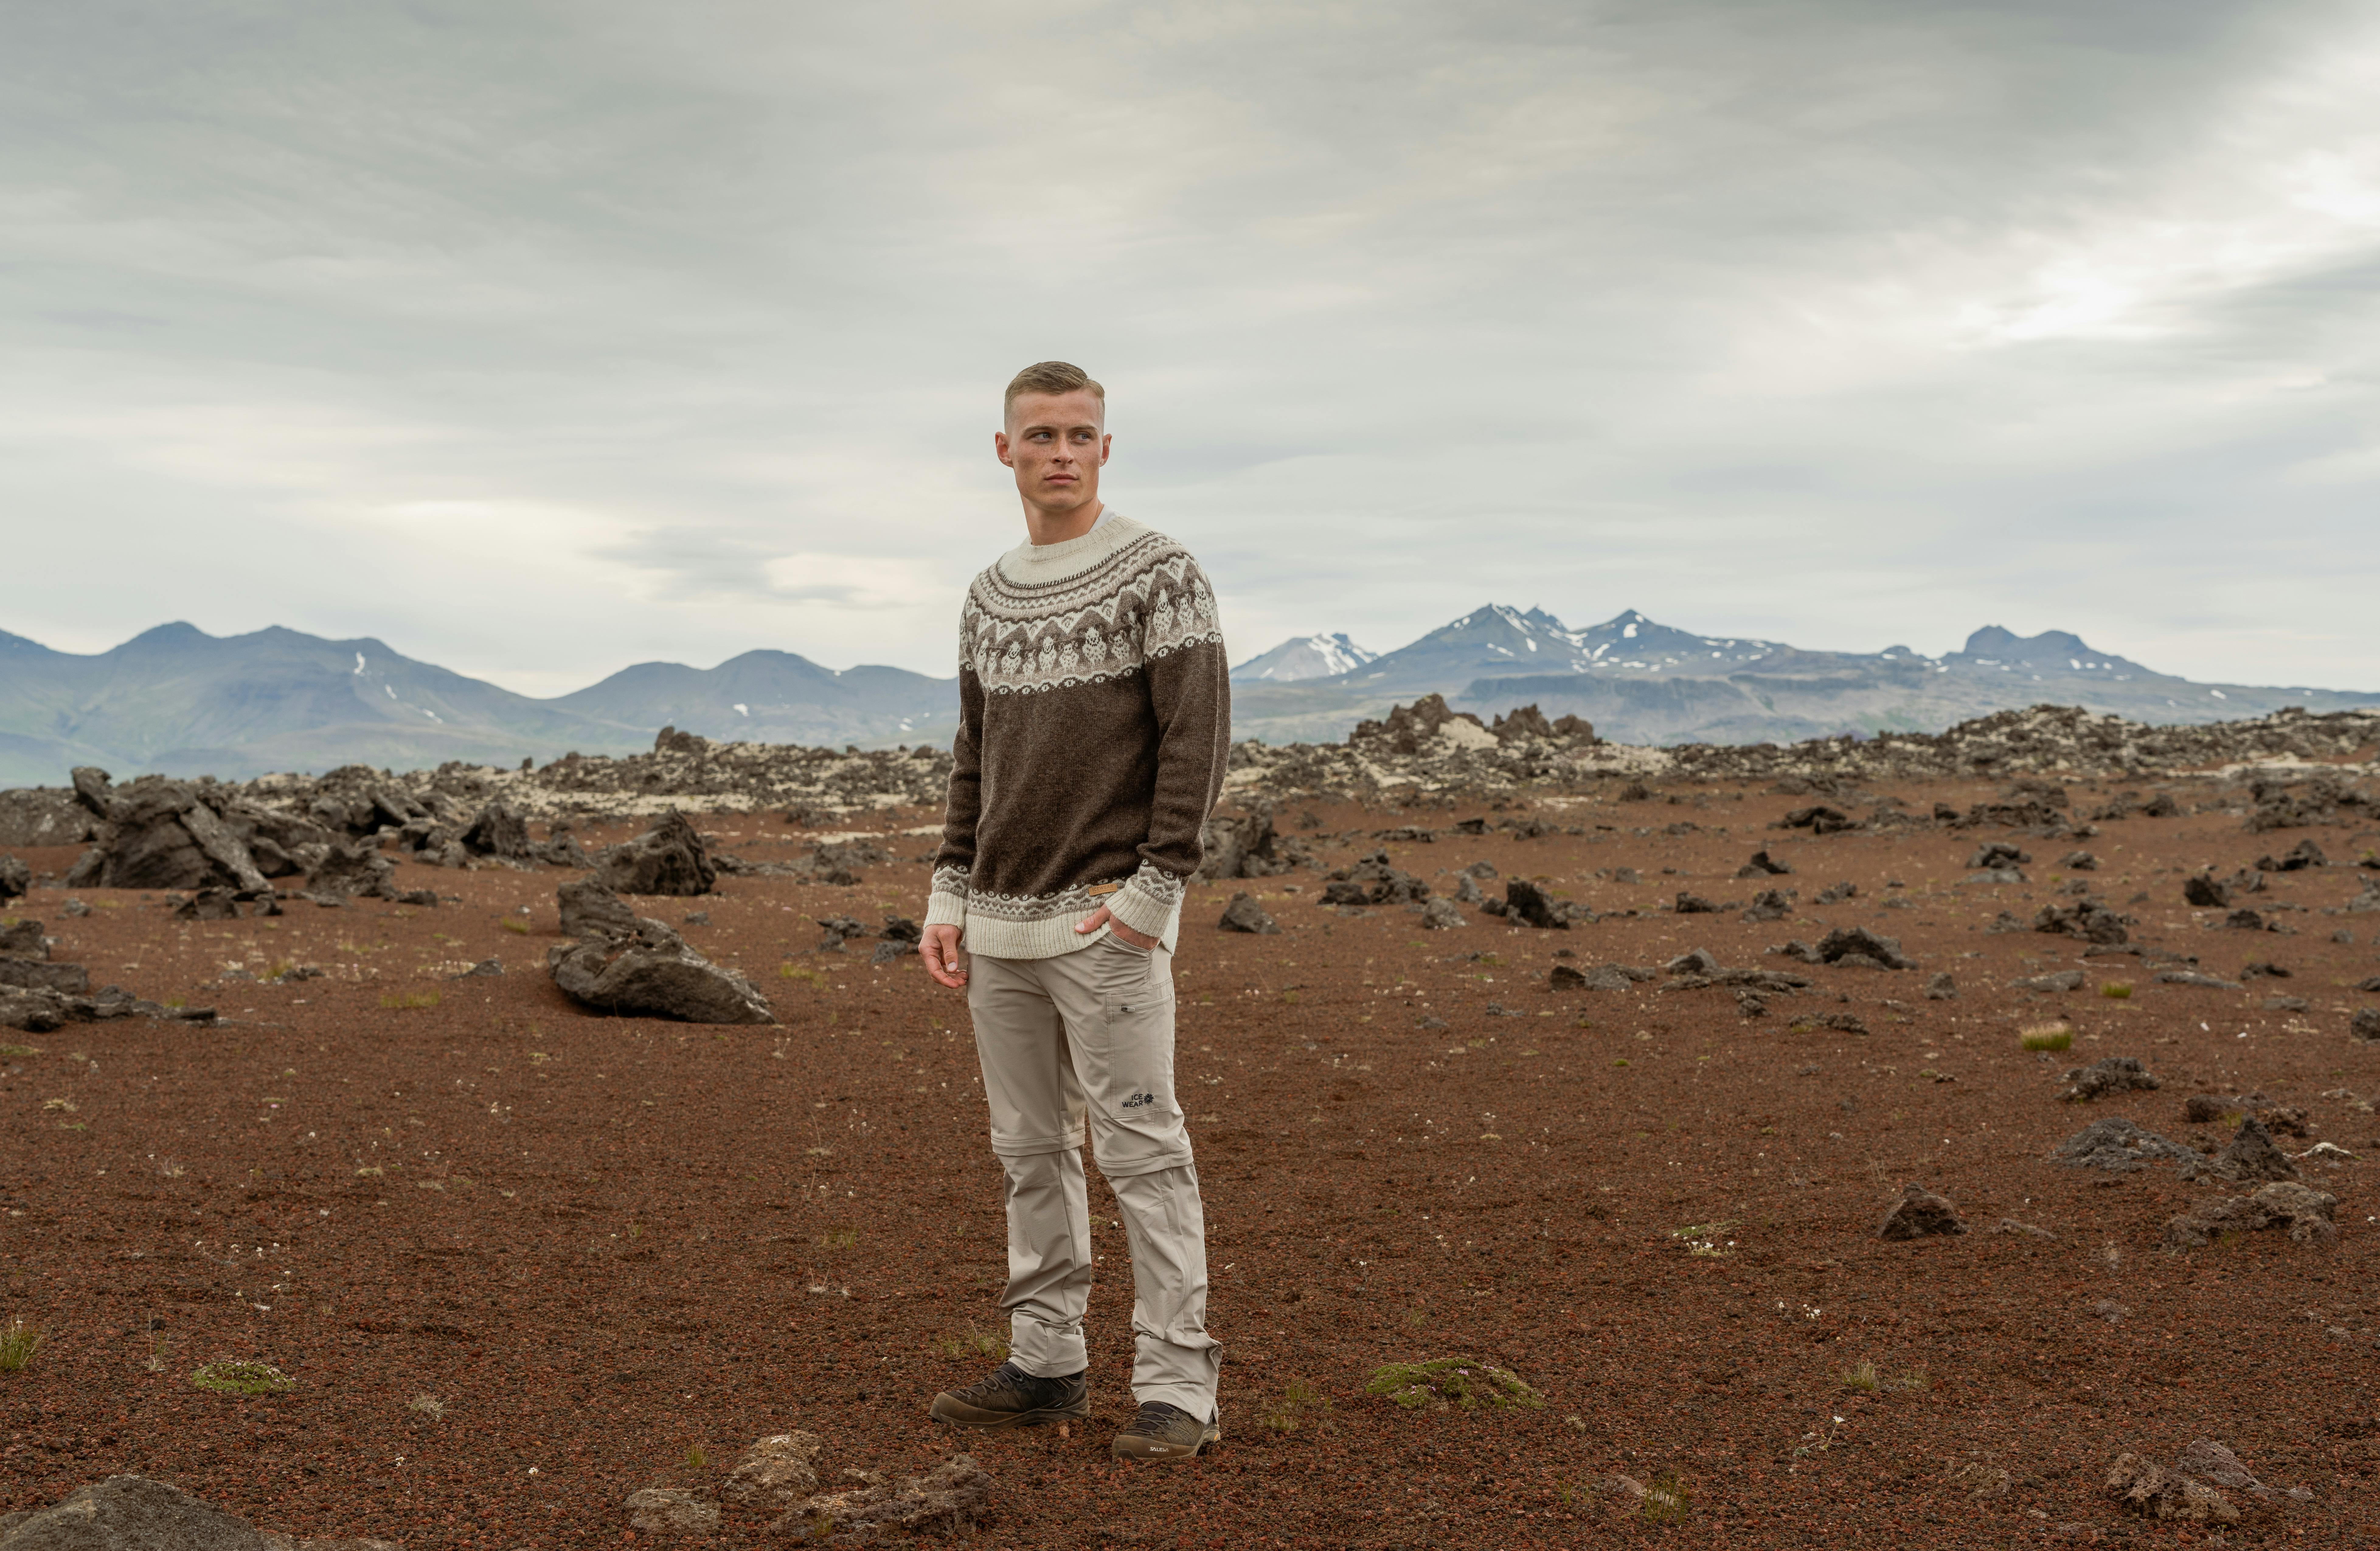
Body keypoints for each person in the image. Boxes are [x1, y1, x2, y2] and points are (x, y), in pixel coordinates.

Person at [918, 360, 1231, 1460]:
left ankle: (1177, 1385)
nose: (1061, 451)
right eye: (1040, 434)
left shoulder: (1159, 573)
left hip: (1107, 919)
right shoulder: (988, 595)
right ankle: (1046, 1362)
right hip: (998, 926)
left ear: (1107, 448)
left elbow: (1197, 738)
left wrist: (1156, 893)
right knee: (1028, 1149)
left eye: (1081, 434)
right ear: (1002, 450)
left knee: (1143, 1149)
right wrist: (947, 891)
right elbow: (975, 757)